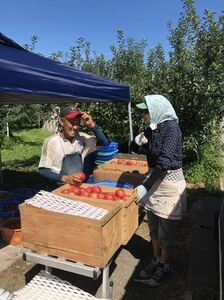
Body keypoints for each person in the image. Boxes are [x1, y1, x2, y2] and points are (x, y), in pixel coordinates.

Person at [134, 95, 187, 287]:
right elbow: (141, 151)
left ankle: (165, 266)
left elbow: (164, 162)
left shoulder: (172, 128)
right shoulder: (153, 128)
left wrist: (146, 186)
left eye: (146, 111)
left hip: (169, 184)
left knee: (166, 231)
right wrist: (137, 142)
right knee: (153, 226)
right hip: (155, 180)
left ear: (157, 109)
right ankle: (156, 259)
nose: (144, 115)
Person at [38, 105, 109, 185]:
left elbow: (104, 143)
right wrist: (65, 178)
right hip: (57, 186)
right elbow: (43, 170)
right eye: (72, 122)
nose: (75, 127)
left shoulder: (83, 138)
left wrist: (92, 125)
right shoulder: (52, 142)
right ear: (62, 122)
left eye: (77, 123)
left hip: (76, 186)